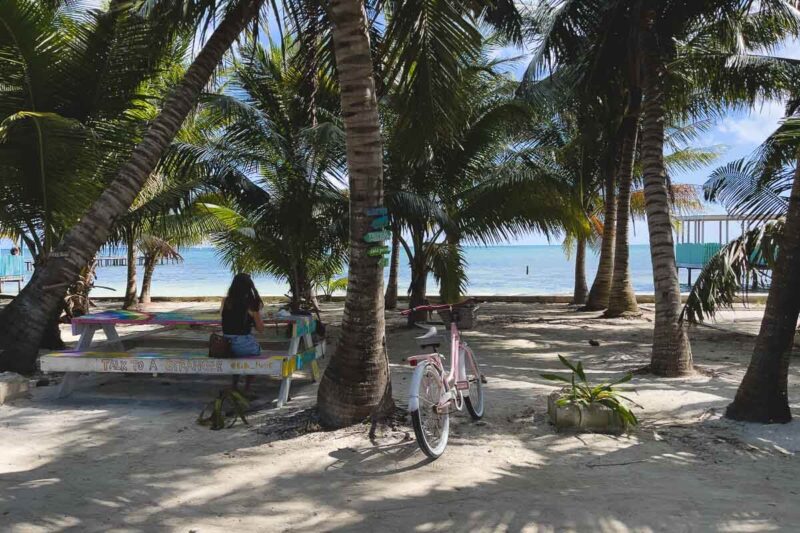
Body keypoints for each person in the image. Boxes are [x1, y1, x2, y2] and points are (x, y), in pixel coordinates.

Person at [221, 273, 264, 390]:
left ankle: (234, 384)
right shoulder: (251, 304)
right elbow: (261, 329)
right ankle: (247, 387)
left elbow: (226, 319)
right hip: (242, 343)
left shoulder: (226, 301)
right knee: (256, 353)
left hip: (225, 343)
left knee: (237, 355)